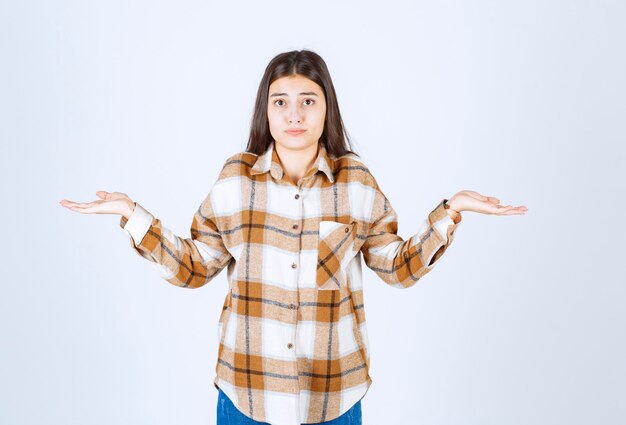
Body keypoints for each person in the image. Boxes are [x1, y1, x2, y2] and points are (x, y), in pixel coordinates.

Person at [60, 49, 528, 425]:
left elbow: (397, 268)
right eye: (280, 101)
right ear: (266, 110)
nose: (294, 114)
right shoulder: (235, 182)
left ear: (328, 108)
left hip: (334, 398)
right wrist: (132, 215)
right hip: (247, 395)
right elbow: (195, 266)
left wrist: (451, 212)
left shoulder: (356, 184)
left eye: (308, 99)